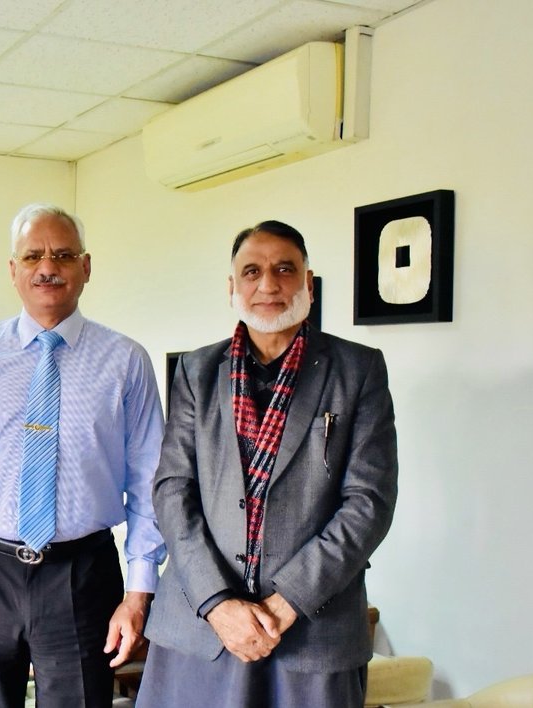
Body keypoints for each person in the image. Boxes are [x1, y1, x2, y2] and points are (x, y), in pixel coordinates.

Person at [0, 203, 166, 707]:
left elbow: (150, 481)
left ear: (86, 267)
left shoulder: (125, 362)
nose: (47, 267)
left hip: (82, 574)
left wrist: (139, 593)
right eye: (33, 256)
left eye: (63, 255)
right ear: (13, 271)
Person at [136, 220, 399, 707]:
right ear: (232, 286)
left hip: (310, 632)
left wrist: (287, 601)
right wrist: (218, 604)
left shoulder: (358, 369)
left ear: (308, 283)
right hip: (200, 626)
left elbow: (369, 503)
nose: (268, 284)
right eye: (252, 271)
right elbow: (173, 491)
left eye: (284, 269)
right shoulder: (197, 371)